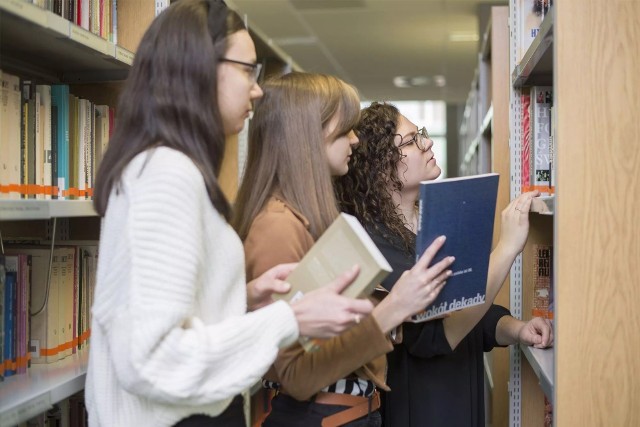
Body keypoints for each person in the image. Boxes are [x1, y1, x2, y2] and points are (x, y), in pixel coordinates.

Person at [85, 2, 376, 426]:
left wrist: (245, 295)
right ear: (200, 69)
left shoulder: (170, 167)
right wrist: (288, 318)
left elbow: (161, 314)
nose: (257, 90)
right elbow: (151, 358)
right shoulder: (167, 174)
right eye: (247, 71)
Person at [232, 73, 454, 427]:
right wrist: (393, 308)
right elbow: (299, 374)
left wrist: (389, 306)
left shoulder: (308, 218)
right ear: (308, 136)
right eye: (344, 129)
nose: (354, 140)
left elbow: (319, 331)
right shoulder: (278, 226)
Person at [334, 101, 554, 427]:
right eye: (411, 140)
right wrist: (507, 248)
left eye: (421, 134)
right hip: (422, 409)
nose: (428, 143)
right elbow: (436, 334)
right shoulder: (373, 247)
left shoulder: (434, 223)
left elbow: (467, 310)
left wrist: (516, 329)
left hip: (461, 401)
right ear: (380, 167)